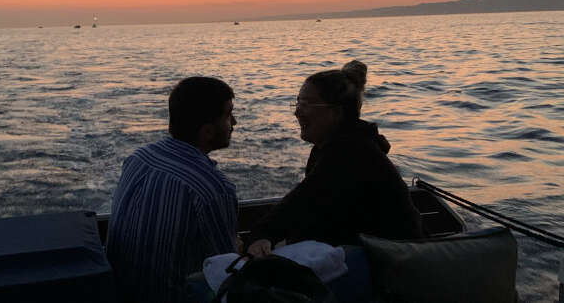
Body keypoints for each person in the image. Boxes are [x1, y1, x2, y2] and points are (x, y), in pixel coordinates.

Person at [246, 60, 423, 257]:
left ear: (336, 112)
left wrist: (262, 234)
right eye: (297, 102)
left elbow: (303, 202)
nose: (296, 111)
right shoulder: (335, 147)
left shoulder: (351, 153)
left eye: (306, 104)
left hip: (394, 262)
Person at [106, 76, 239, 303]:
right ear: (207, 131)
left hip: (117, 292)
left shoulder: (139, 157)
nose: (234, 122)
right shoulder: (214, 188)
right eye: (228, 115)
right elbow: (224, 269)